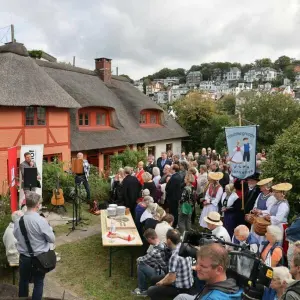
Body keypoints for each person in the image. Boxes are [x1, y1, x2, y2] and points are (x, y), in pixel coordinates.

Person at [13, 192, 55, 300]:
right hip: (40, 258)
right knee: (39, 282)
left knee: (23, 281)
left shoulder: (18, 221)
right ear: (37, 205)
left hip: (24, 258)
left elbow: (16, 236)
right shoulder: (41, 221)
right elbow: (51, 239)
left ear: (26, 204)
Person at [174, 244, 243, 300]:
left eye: (203, 266)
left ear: (219, 270)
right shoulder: (232, 282)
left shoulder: (211, 298)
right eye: (197, 263)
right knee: (181, 297)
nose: (197, 268)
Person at [147, 229, 194, 300]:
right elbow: (171, 274)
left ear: (169, 240)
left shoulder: (175, 256)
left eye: (166, 239)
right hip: (187, 282)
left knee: (151, 290)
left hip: (181, 288)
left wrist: (161, 283)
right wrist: (162, 281)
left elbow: (171, 279)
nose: (165, 241)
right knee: (154, 279)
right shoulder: (184, 247)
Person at [132, 229, 169, 297]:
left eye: (147, 240)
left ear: (149, 239)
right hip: (167, 271)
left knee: (140, 265)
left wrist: (138, 259)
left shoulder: (154, 251)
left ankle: (142, 289)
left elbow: (141, 259)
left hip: (161, 274)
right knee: (146, 263)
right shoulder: (164, 244)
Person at [264, 183, 291, 250]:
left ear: (282, 193)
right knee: (271, 245)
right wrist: (263, 213)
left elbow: (278, 219)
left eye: (276, 192)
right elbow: (270, 211)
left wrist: (270, 217)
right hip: (274, 227)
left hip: (280, 228)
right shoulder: (277, 202)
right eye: (274, 192)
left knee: (277, 246)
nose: (274, 194)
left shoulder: (283, 204)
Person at [251, 177, 276, 248]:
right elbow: (255, 204)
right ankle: (253, 249)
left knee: (261, 237)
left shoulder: (271, 198)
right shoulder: (260, 194)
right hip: (256, 219)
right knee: (254, 235)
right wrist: (254, 209)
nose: (260, 187)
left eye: (262, 186)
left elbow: (270, 211)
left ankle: (260, 251)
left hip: (264, 222)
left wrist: (261, 211)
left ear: (266, 187)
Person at [165, 164, 182, 228]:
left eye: (171, 168)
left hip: (173, 197)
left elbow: (171, 188)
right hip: (174, 197)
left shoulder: (175, 177)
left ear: (174, 170)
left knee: (173, 211)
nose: (169, 169)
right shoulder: (177, 176)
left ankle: (174, 224)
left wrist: (167, 190)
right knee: (174, 211)